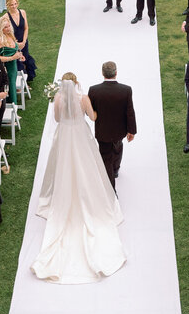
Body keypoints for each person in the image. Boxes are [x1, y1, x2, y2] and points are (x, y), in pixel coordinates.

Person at [31, 74, 126, 282]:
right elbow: (92, 117)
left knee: (62, 164)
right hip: (80, 134)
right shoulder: (83, 98)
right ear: (75, 83)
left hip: (64, 134)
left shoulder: (57, 99)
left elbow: (56, 119)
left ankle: (62, 191)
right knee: (87, 165)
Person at [87, 62, 137, 191]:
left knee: (105, 157)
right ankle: (115, 171)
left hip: (102, 130)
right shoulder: (126, 90)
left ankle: (110, 179)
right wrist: (132, 131)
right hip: (120, 130)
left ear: (103, 73)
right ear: (116, 73)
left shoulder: (93, 90)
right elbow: (130, 111)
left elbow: (90, 112)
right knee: (118, 147)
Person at [4, 0, 36, 82]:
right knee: (18, 61)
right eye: (11, 4)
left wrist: (24, 41)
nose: (14, 6)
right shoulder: (6, 17)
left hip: (24, 41)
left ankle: (28, 77)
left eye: (15, 4)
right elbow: (6, 33)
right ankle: (22, 82)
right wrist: (16, 44)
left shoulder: (22, 12)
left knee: (25, 57)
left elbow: (26, 28)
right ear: (7, 5)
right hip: (14, 43)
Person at [0, 15, 22, 107]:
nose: (8, 28)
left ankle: (13, 106)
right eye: (5, 27)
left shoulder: (10, 35)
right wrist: (12, 58)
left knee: (12, 84)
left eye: (9, 26)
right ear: (1, 28)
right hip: (5, 67)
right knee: (10, 86)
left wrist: (20, 55)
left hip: (13, 66)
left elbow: (14, 49)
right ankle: (13, 107)